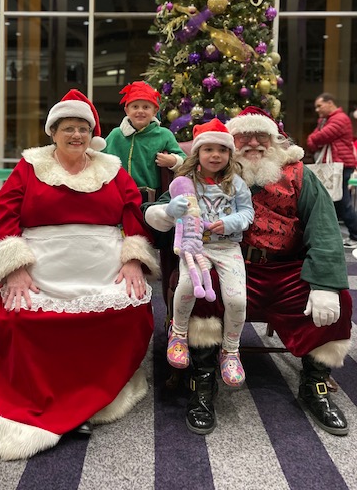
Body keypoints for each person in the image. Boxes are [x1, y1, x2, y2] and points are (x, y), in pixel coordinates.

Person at [0, 89, 159, 460]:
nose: (76, 135)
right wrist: (13, 267)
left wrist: (133, 258)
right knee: (21, 316)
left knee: (127, 312)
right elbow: (5, 216)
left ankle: (94, 392)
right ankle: (42, 397)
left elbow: (132, 213)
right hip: (42, 264)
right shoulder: (30, 166)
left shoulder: (111, 168)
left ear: (92, 133)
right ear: (53, 132)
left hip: (103, 265)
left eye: (83, 128)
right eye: (68, 128)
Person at [143, 106, 352, 437]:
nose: (254, 143)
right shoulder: (211, 169)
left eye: (262, 136)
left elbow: (324, 227)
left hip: (288, 270)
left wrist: (324, 282)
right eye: (244, 136)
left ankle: (315, 385)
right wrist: (165, 212)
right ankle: (203, 379)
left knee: (337, 298)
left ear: (275, 140)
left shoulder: (299, 174)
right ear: (231, 142)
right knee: (203, 286)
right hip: (230, 261)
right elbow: (164, 206)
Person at [151, 119, 254, 388]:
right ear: (198, 153)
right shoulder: (185, 182)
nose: (215, 155)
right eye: (208, 149)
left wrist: (231, 223)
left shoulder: (237, 184)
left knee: (237, 300)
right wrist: (173, 209)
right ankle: (179, 334)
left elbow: (248, 213)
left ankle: (231, 350)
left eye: (221, 150)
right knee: (186, 285)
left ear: (230, 154)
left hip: (227, 247)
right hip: (196, 247)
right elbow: (172, 210)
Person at [104, 81, 186, 196]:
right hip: (117, 194)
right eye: (135, 107)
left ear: (155, 111)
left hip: (150, 198)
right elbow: (98, 157)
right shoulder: (116, 135)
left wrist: (173, 160)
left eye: (146, 107)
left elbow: (185, 160)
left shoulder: (164, 134)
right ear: (127, 110)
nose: (140, 111)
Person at [307, 93, 357, 248]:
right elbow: (311, 142)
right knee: (334, 201)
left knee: (341, 202)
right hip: (333, 166)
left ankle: (355, 234)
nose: (317, 110)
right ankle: (335, 235)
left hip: (340, 166)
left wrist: (315, 138)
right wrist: (315, 138)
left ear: (330, 103)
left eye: (319, 105)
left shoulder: (340, 119)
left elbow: (318, 138)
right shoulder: (325, 120)